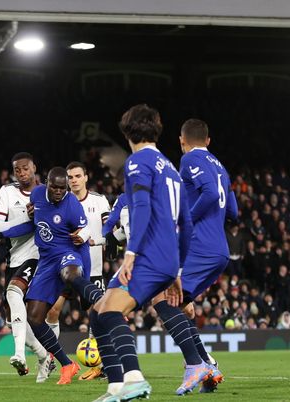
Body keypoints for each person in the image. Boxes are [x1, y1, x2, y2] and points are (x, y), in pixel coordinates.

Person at [90, 104, 194, 402]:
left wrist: (131, 253)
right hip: (167, 258)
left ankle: (133, 379)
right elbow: (186, 225)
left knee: (110, 311)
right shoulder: (172, 169)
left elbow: (142, 207)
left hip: (148, 254)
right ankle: (114, 386)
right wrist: (177, 272)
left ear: (127, 133)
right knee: (98, 313)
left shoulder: (138, 163)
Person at [0, 167, 92, 385]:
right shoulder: (37, 195)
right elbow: (31, 224)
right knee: (34, 317)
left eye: (63, 188)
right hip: (47, 260)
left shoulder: (72, 206)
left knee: (70, 274)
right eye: (55, 187)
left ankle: (96, 296)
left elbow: (84, 240)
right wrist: (0, 234)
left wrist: (84, 281)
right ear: (47, 184)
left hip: (68, 254)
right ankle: (67, 365)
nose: (59, 191)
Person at [150, 118, 236, 394]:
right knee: (179, 305)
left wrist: (185, 220)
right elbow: (233, 212)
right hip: (219, 248)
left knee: (161, 299)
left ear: (182, 140)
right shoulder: (221, 167)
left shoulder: (189, 160)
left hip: (201, 245)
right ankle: (209, 369)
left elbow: (210, 193)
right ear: (208, 140)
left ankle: (195, 364)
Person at [0, 152, 53, 382]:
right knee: (11, 318)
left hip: (40, 257)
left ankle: (19, 355)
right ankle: (44, 356)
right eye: (18, 170)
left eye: (26, 168)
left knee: (14, 293)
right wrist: (27, 218)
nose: (22, 173)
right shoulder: (7, 192)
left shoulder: (48, 191)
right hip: (14, 258)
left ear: (34, 167)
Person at [45, 161, 111, 381]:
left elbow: (109, 231)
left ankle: (100, 364)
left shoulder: (99, 201)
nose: (73, 180)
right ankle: (51, 359)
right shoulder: (59, 202)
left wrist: (96, 241)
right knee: (53, 310)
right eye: (70, 177)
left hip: (92, 268)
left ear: (86, 177)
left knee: (96, 315)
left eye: (77, 176)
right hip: (65, 267)